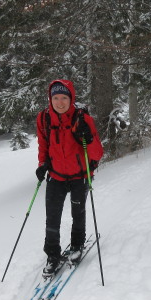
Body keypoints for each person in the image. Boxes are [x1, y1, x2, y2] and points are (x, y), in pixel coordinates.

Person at [35, 79, 103, 276]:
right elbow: (43, 146)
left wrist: (87, 138)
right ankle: (53, 255)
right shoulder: (44, 119)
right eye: (55, 98)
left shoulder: (83, 119)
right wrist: (42, 164)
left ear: (71, 98)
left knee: (78, 213)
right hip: (56, 176)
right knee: (52, 217)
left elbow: (97, 153)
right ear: (50, 99)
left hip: (79, 176)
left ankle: (77, 245)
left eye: (64, 97)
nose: (60, 102)